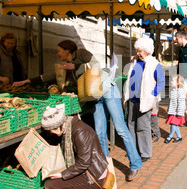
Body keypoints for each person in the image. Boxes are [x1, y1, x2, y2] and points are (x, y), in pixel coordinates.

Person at [15, 39, 143, 181]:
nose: (58, 54)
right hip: (94, 97)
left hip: (108, 90)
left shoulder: (81, 53)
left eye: (59, 51)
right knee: (99, 133)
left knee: (120, 128)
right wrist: (28, 81)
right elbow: (51, 75)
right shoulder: (65, 66)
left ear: (67, 50)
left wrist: (74, 66)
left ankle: (135, 164)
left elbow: (96, 65)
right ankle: (106, 167)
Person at [41, 107, 108, 189]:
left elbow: (83, 163)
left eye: (51, 129)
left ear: (58, 125)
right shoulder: (70, 127)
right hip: (87, 170)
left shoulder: (80, 131)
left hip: (93, 175)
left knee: (50, 186)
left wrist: (62, 174)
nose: (51, 132)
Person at [124, 37, 165, 162]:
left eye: (140, 51)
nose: (138, 53)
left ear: (147, 50)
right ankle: (134, 150)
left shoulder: (154, 64)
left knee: (143, 127)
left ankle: (145, 153)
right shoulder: (135, 61)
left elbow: (161, 82)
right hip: (132, 99)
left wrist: (153, 96)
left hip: (145, 100)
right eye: (137, 50)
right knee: (131, 125)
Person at [164, 74, 186, 144]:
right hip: (173, 111)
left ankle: (170, 136)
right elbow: (172, 102)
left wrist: (180, 112)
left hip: (177, 112)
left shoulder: (181, 92)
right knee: (174, 124)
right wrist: (169, 108)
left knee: (173, 124)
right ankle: (179, 137)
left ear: (177, 83)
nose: (171, 82)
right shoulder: (173, 91)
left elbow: (181, 103)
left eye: (172, 81)